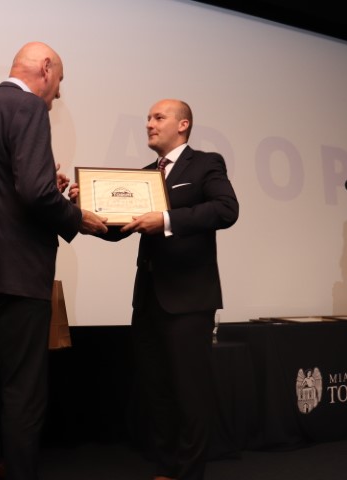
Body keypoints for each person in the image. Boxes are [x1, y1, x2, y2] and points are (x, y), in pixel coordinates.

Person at [0, 41, 108, 480]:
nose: (58, 94)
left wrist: (43, 184)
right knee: (23, 392)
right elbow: (35, 193)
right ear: (46, 68)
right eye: (60, 81)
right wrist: (77, 218)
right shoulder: (28, 107)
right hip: (17, 277)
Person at [71, 99, 239, 480]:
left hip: (189, 299)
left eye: (158, 117)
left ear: (183, 125)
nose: (149, 123)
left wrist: (165, 219)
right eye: (147, 118)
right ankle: (166, 467)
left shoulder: (206, 164)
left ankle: (190, 472)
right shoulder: (145, 176)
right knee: (156, 389)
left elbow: (226, 210)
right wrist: (83, 209)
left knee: (190, 391)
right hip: (147, 298)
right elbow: (119, 229)